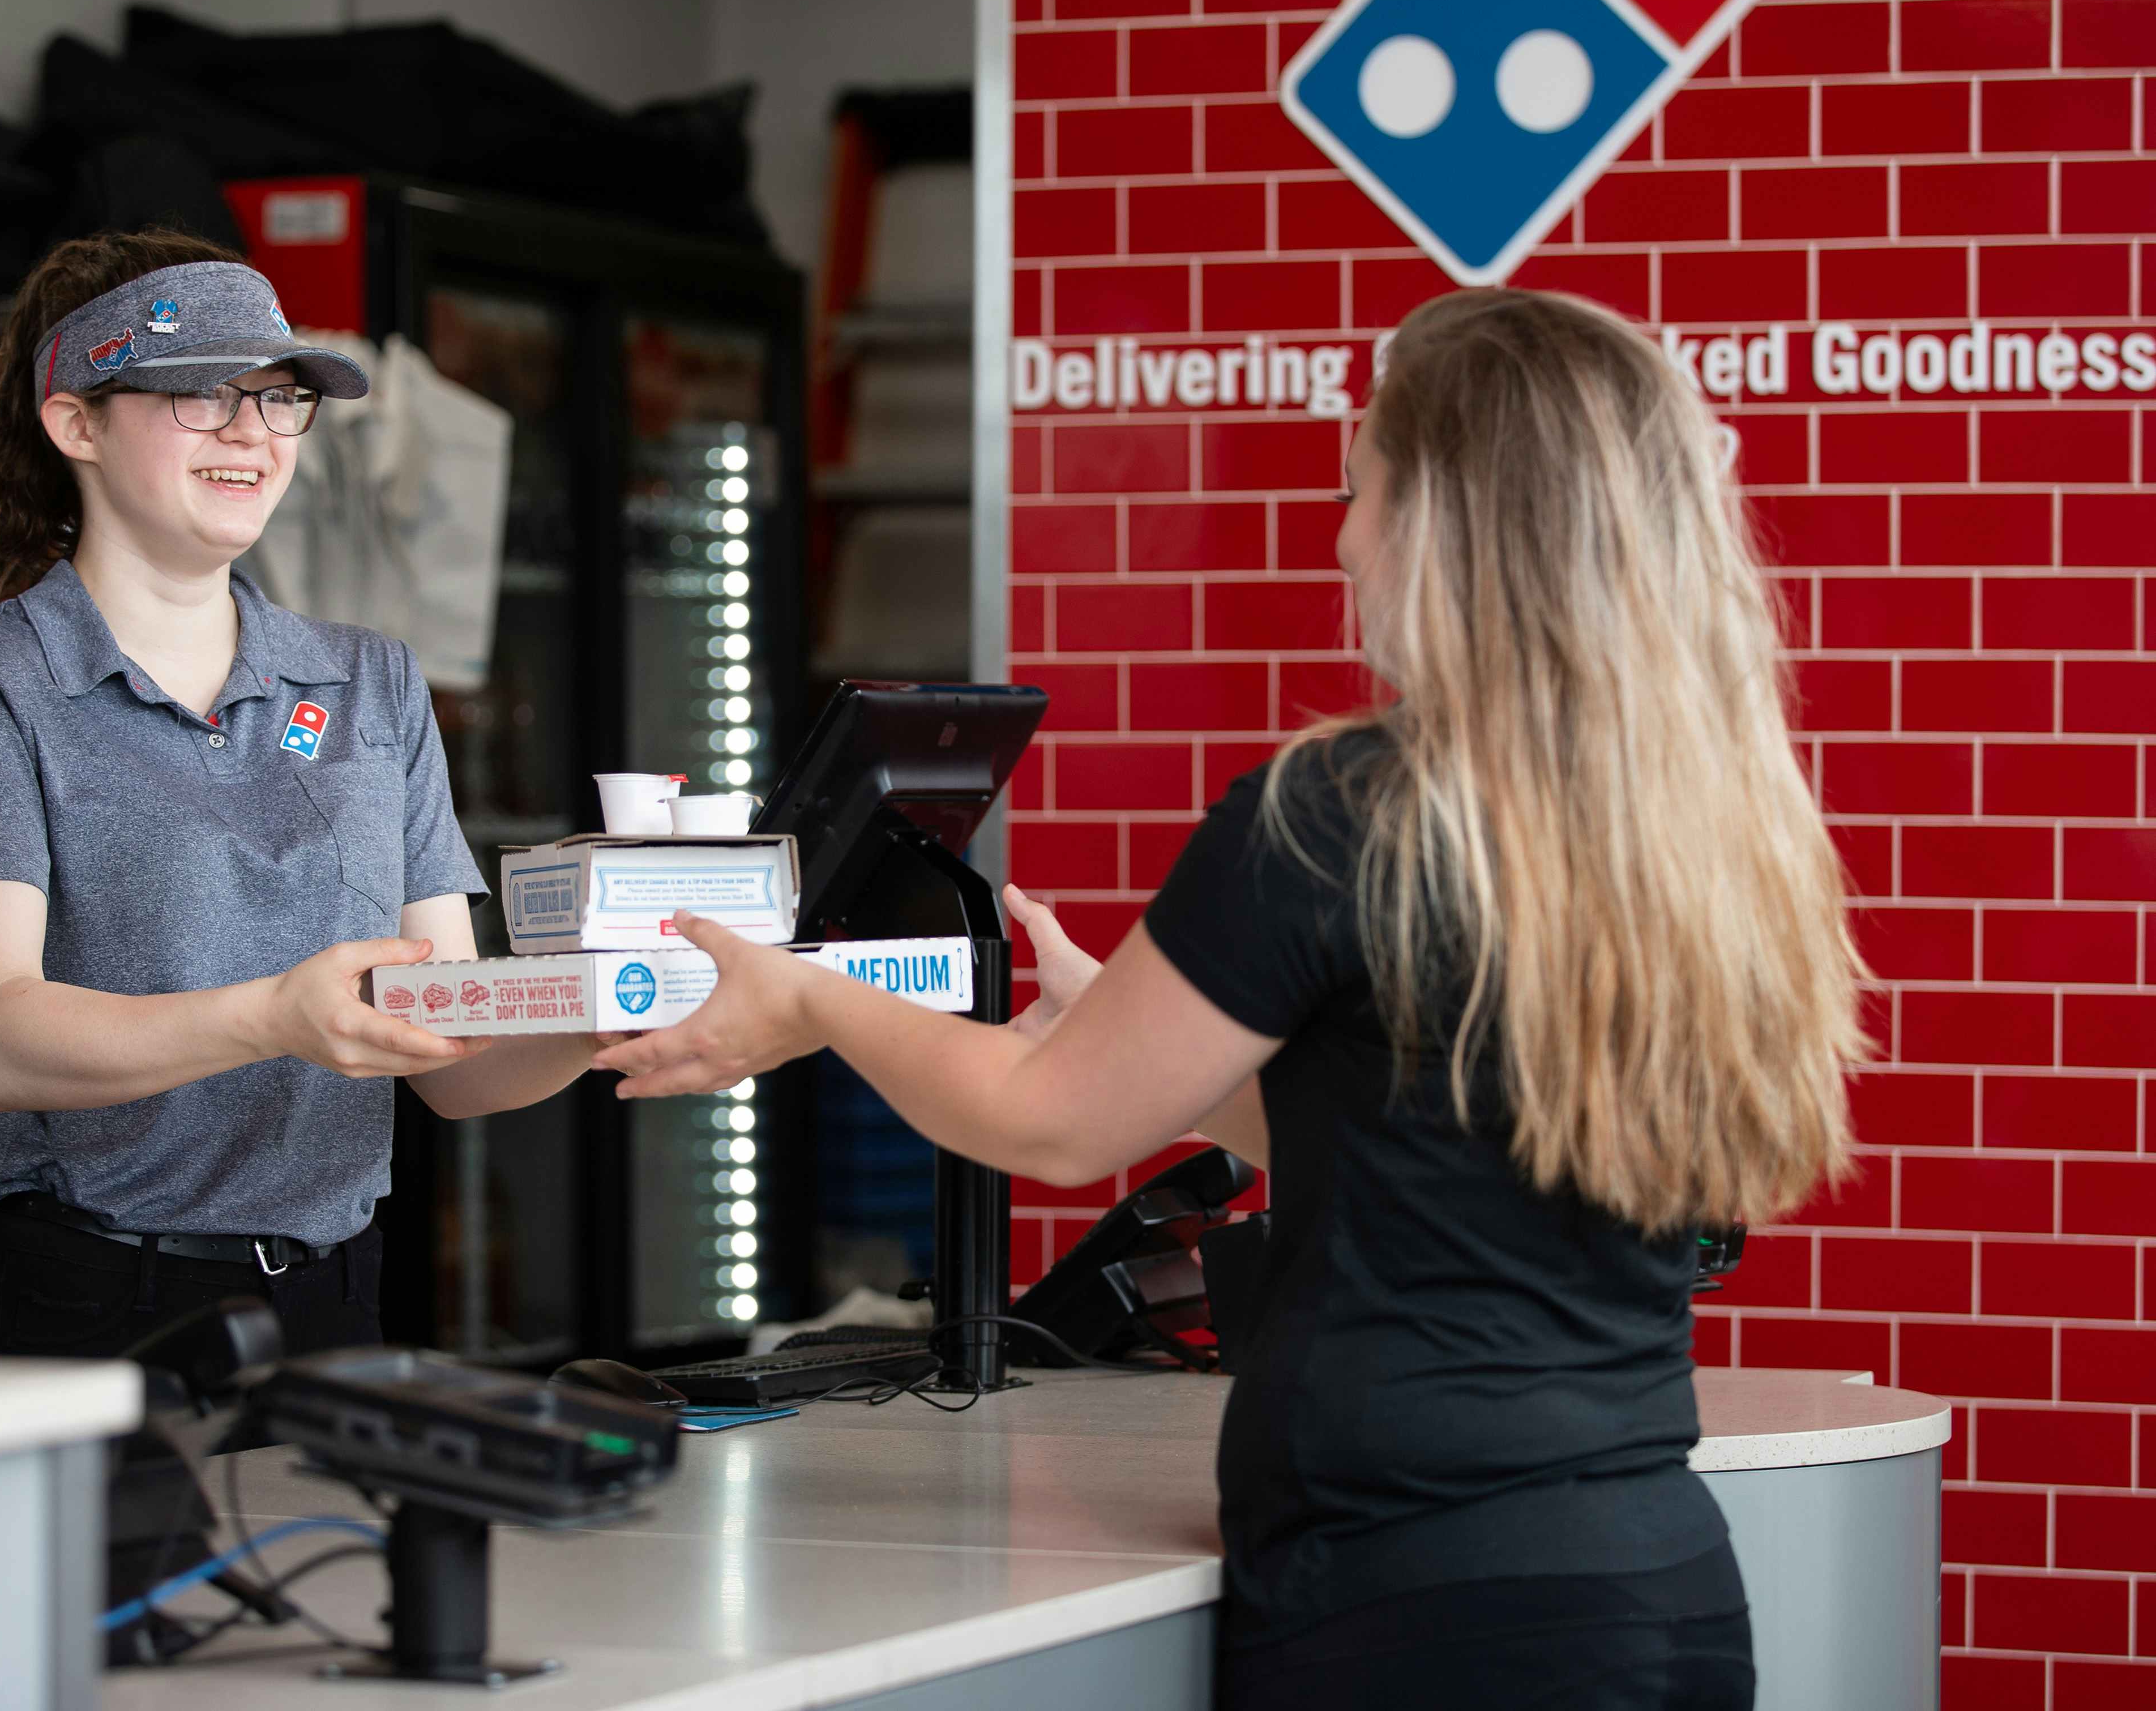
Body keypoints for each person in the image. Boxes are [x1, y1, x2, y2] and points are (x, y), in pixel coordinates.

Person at [595, 288, 1863, 1710]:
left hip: (1422, 1616)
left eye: (1358, 486)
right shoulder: (1704, 822)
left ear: (1443, 515)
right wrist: (1130, 1036)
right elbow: (1425, 1146)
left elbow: (1049, 1132)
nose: (1342, 535)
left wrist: (812, 1002)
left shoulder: (1344, 809)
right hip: (1659, 1584)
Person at [0, 229, 599, 1361]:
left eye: (278, 399)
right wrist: (272, 1017)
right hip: (89, 1305)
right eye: (197, 394)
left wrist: (605, 1012)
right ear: (74, 419)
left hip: (339, 1306)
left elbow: (453, 1055)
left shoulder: (371, 680)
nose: (251, 433)